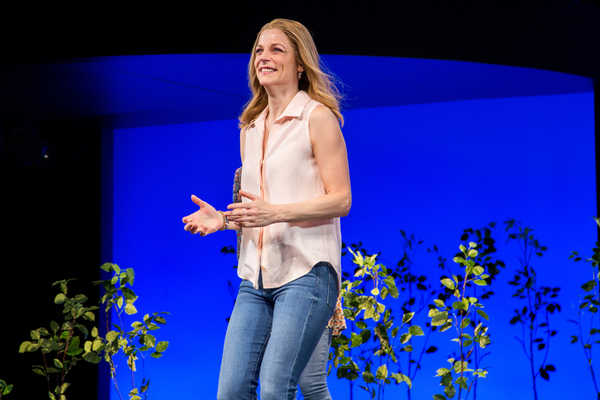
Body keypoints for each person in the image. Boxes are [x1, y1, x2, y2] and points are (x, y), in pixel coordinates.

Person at [182, 18, 351, 400]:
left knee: (277, 389)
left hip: (307, 273)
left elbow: (341, 199)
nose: (264, 57)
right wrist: (224, 220)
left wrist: (275, 212)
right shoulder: (250, 127)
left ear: (301, 64)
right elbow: (256, 209)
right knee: (231, 391)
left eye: (277, 50)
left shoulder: (317, 118)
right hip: (255, 280)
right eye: (259, 49)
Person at [232, 167, 346, 399]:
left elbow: (334, 203)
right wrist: (222, 219)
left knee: (310, 381)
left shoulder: (299, 166)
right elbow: (244, 226)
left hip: (304, 277)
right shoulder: (244, 173)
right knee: (244, 383)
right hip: (263, 282)